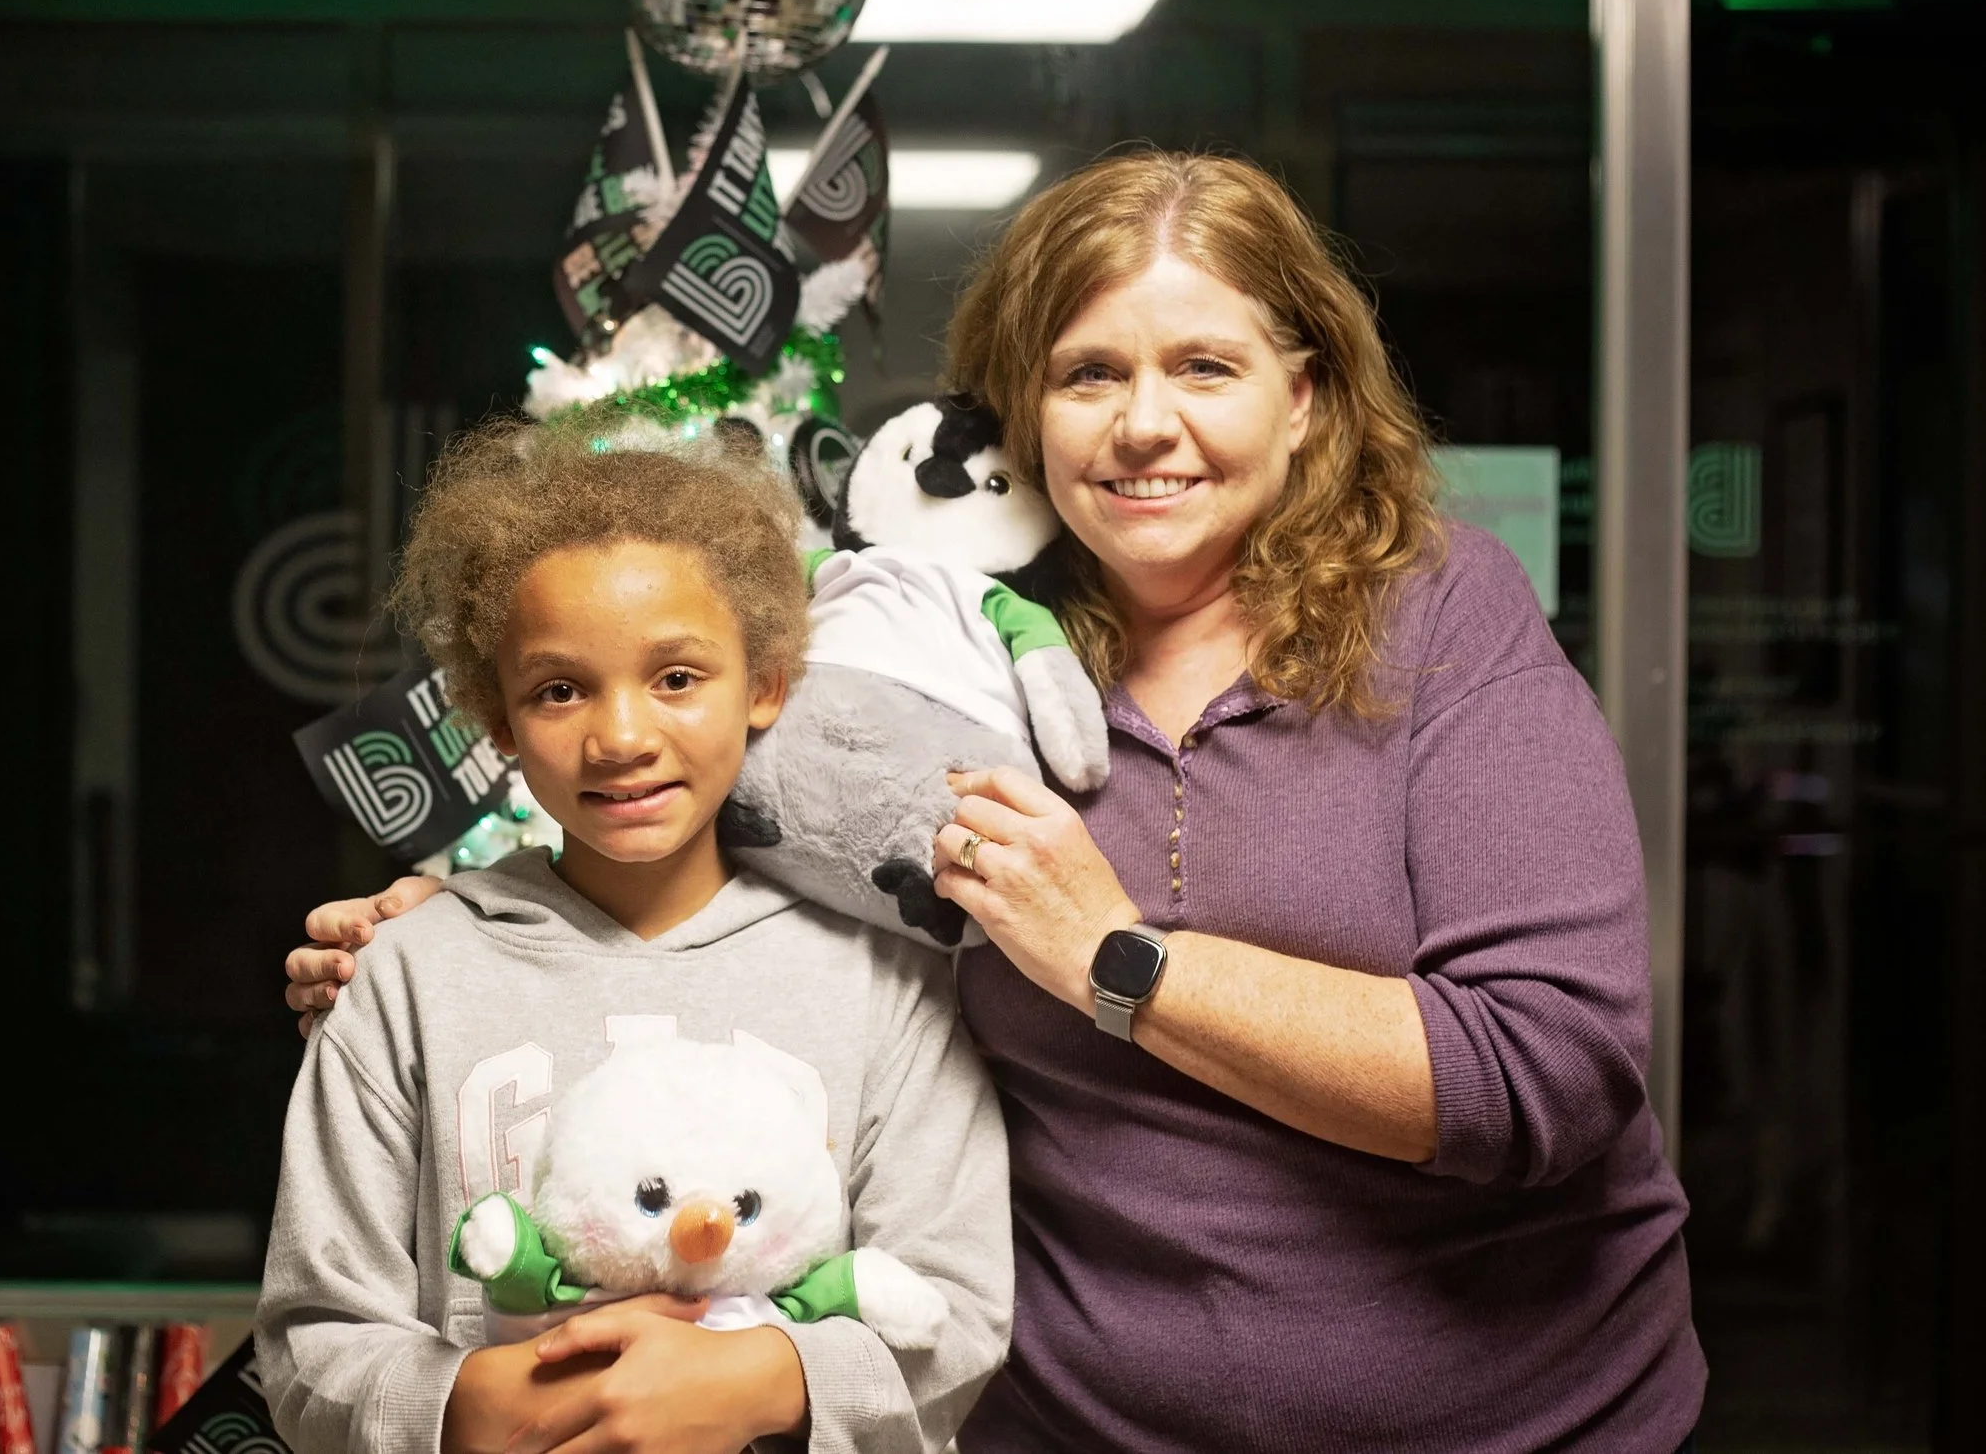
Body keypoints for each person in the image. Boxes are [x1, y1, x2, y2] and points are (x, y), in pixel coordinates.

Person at [289, 151, 1706, 1452]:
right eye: (1089, 373)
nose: (1146, 424)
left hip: (1519, 1423)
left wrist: (1120, 962)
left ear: (1307, 394)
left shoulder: (1440, 615)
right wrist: (470, 928)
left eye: (1205, 364)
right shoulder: (923, 642)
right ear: (1018, 410)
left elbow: (1550, 1070)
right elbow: (698, 801)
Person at [256, 424, 1011, 1454]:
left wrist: (763, 1380)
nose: (619, 736)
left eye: (675, 677)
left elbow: (956, 1311)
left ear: (765, 683)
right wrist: (470, 1404)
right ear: (498, 719)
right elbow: (312, 1336)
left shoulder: (885, 981)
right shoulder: (405, 978)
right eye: (559, 688)